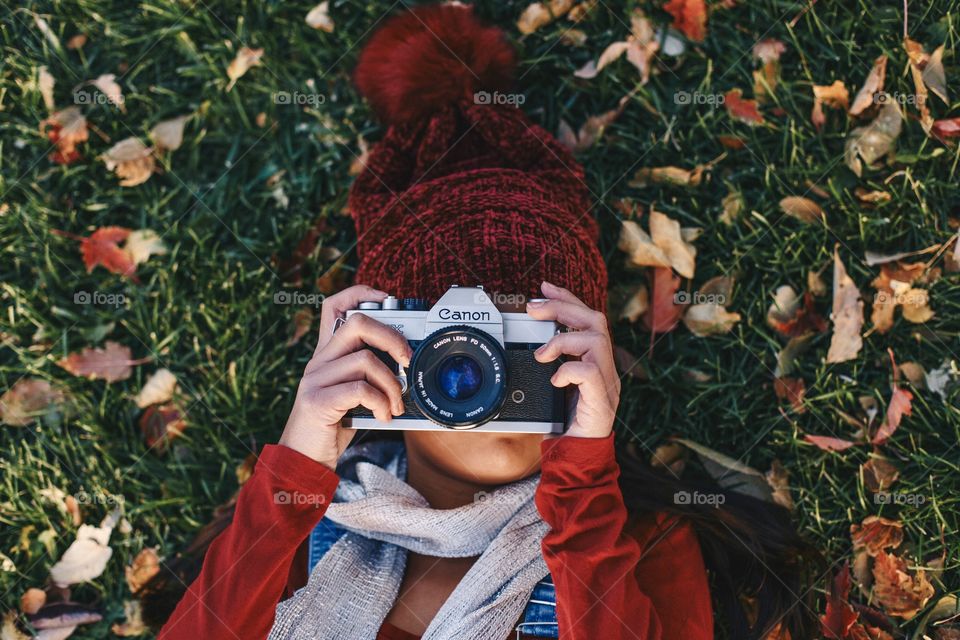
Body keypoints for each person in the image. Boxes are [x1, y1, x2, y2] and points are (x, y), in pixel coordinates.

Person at [149, 4, 819, 639]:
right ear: (382, 352)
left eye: (525, 340)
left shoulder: (633, 548)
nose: (486, 371)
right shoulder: (288, 546)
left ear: (590, 364)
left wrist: (583, 483)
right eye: (456, 350)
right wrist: (296, 468)